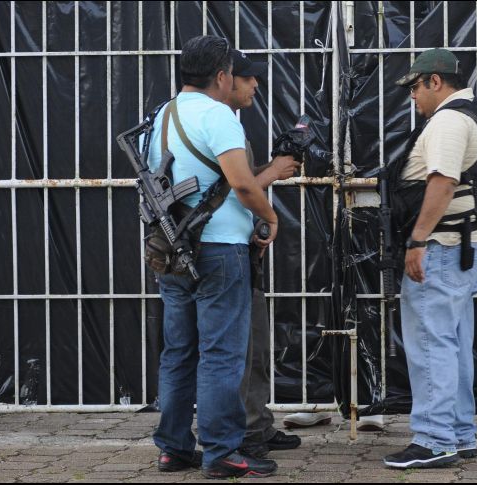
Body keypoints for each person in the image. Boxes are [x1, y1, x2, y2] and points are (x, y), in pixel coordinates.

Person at [148, 35, 278, 479]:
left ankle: (173, 448)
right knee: (222, 354)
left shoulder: (162, 115)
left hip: (172, 249)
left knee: (178, 352)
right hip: (221, 250)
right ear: (222, 76)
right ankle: (221, 451)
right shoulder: (219, 116)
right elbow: (242, 184)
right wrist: (270, 216)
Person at [382, 48, 477, 469]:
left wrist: (416, 240)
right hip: (462, 246)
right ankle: (460, 433)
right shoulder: (472, 114)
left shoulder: (447, 120)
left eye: (414, 87)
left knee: (431, 343)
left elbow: (443, 182)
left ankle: (433, 438)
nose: (411, 96)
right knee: (453, 343)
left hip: (441, 249)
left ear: (434, 81)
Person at [224, 48, 304, 458]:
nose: (256, 84)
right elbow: (232, 193)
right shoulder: (218, 125)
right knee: (238, 349)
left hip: (240, 252)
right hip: (223, 254)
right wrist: (271, 175)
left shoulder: (225, 123)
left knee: (255, 342)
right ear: (225, 78)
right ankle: (244, 434)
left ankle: (258, 422)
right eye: (249, 77)